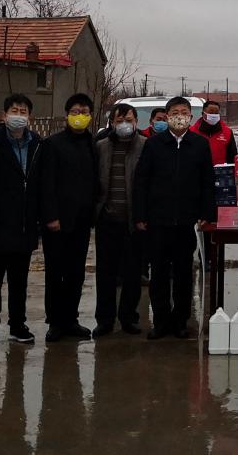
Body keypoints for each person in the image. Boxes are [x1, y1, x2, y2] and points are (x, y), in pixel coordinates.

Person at [133, 96, 216, 339]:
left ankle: (181, 320)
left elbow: (207, 182)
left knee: (183, 273)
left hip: (187, 221)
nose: (180, 116)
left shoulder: (199, 144)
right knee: (158, 273)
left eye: (184, 112)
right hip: (158, 220)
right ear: (167, 116)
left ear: (191, 116)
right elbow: (141, 181)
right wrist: (141, 214)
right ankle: (160, 321)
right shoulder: (154, 144)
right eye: (175, 112)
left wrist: (207, 213)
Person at [0, 94, 42, 346]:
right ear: (4, 116)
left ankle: (17, 324)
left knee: (19, 281)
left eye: (23, 111)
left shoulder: (37, 144)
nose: (19, 116)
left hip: (24, 225)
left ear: (30, 117)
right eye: (14, 111)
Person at [40, 93, 98, 342]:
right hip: (57, 222)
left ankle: (71, 319)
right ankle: (55, 321)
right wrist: (51, 216)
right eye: (75, 112)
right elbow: (46, 183)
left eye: (84, 112)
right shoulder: (52, 144)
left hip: (82, 220)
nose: (79, 116)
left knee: (76, 272)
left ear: (90, 116)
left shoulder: (92, 144)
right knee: (56, 272)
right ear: (67, 115)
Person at [93, 103, 146, 337]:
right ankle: (105, 320)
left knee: (132, 273)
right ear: (112, 123)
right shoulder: (101, 147)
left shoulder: (145, 146)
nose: (124, 124)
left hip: (134, 221)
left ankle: (128, 317)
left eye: (128, 120)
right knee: (105, 272)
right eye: (119, 120)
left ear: (136, 122)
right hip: (107, 219)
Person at [189, 100, 237, 165]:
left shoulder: (227, 132)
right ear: (203, 113)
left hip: (221, 170)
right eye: (211, 112)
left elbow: (232, 157)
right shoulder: (192, 132)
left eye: (216, 113)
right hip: (198, 170)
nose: (214, 115)